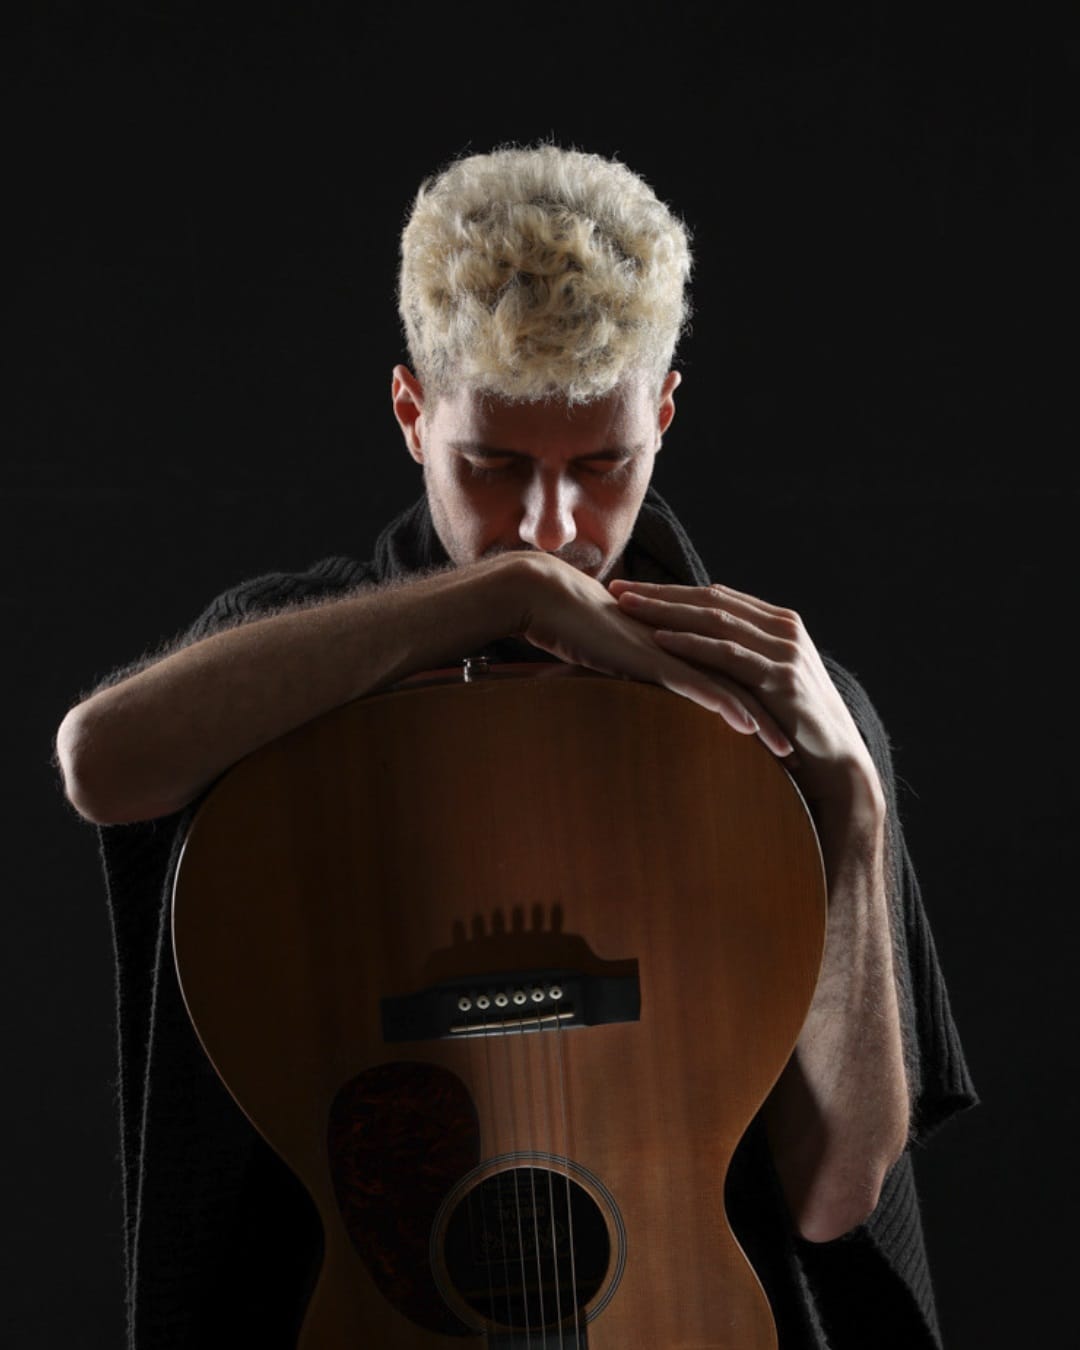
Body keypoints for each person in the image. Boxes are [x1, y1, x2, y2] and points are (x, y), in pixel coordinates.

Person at [57, 143, 976, 1349]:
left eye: (603, 467)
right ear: (411, 413)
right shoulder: (286, 669)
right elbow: (101, 762)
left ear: (663, 413)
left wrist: (851, 807)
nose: (550, 526)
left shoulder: (787, 702)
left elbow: (833, 1197)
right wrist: (502, 598)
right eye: (494, 466)